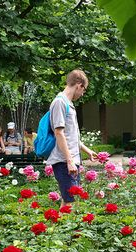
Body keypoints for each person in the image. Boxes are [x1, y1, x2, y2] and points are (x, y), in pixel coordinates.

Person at [47, 69, 97, 207]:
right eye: (84, 89)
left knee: (69, 200)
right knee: (72, 202)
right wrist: (69, 161)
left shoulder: (68, 104)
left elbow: (70, 135)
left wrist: (87, 150)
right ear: (79, 85)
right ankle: (69, 228)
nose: (83, 93)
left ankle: (61, 227)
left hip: (70, 161)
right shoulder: (60, 103)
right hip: (64, 162)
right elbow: (59, 133)